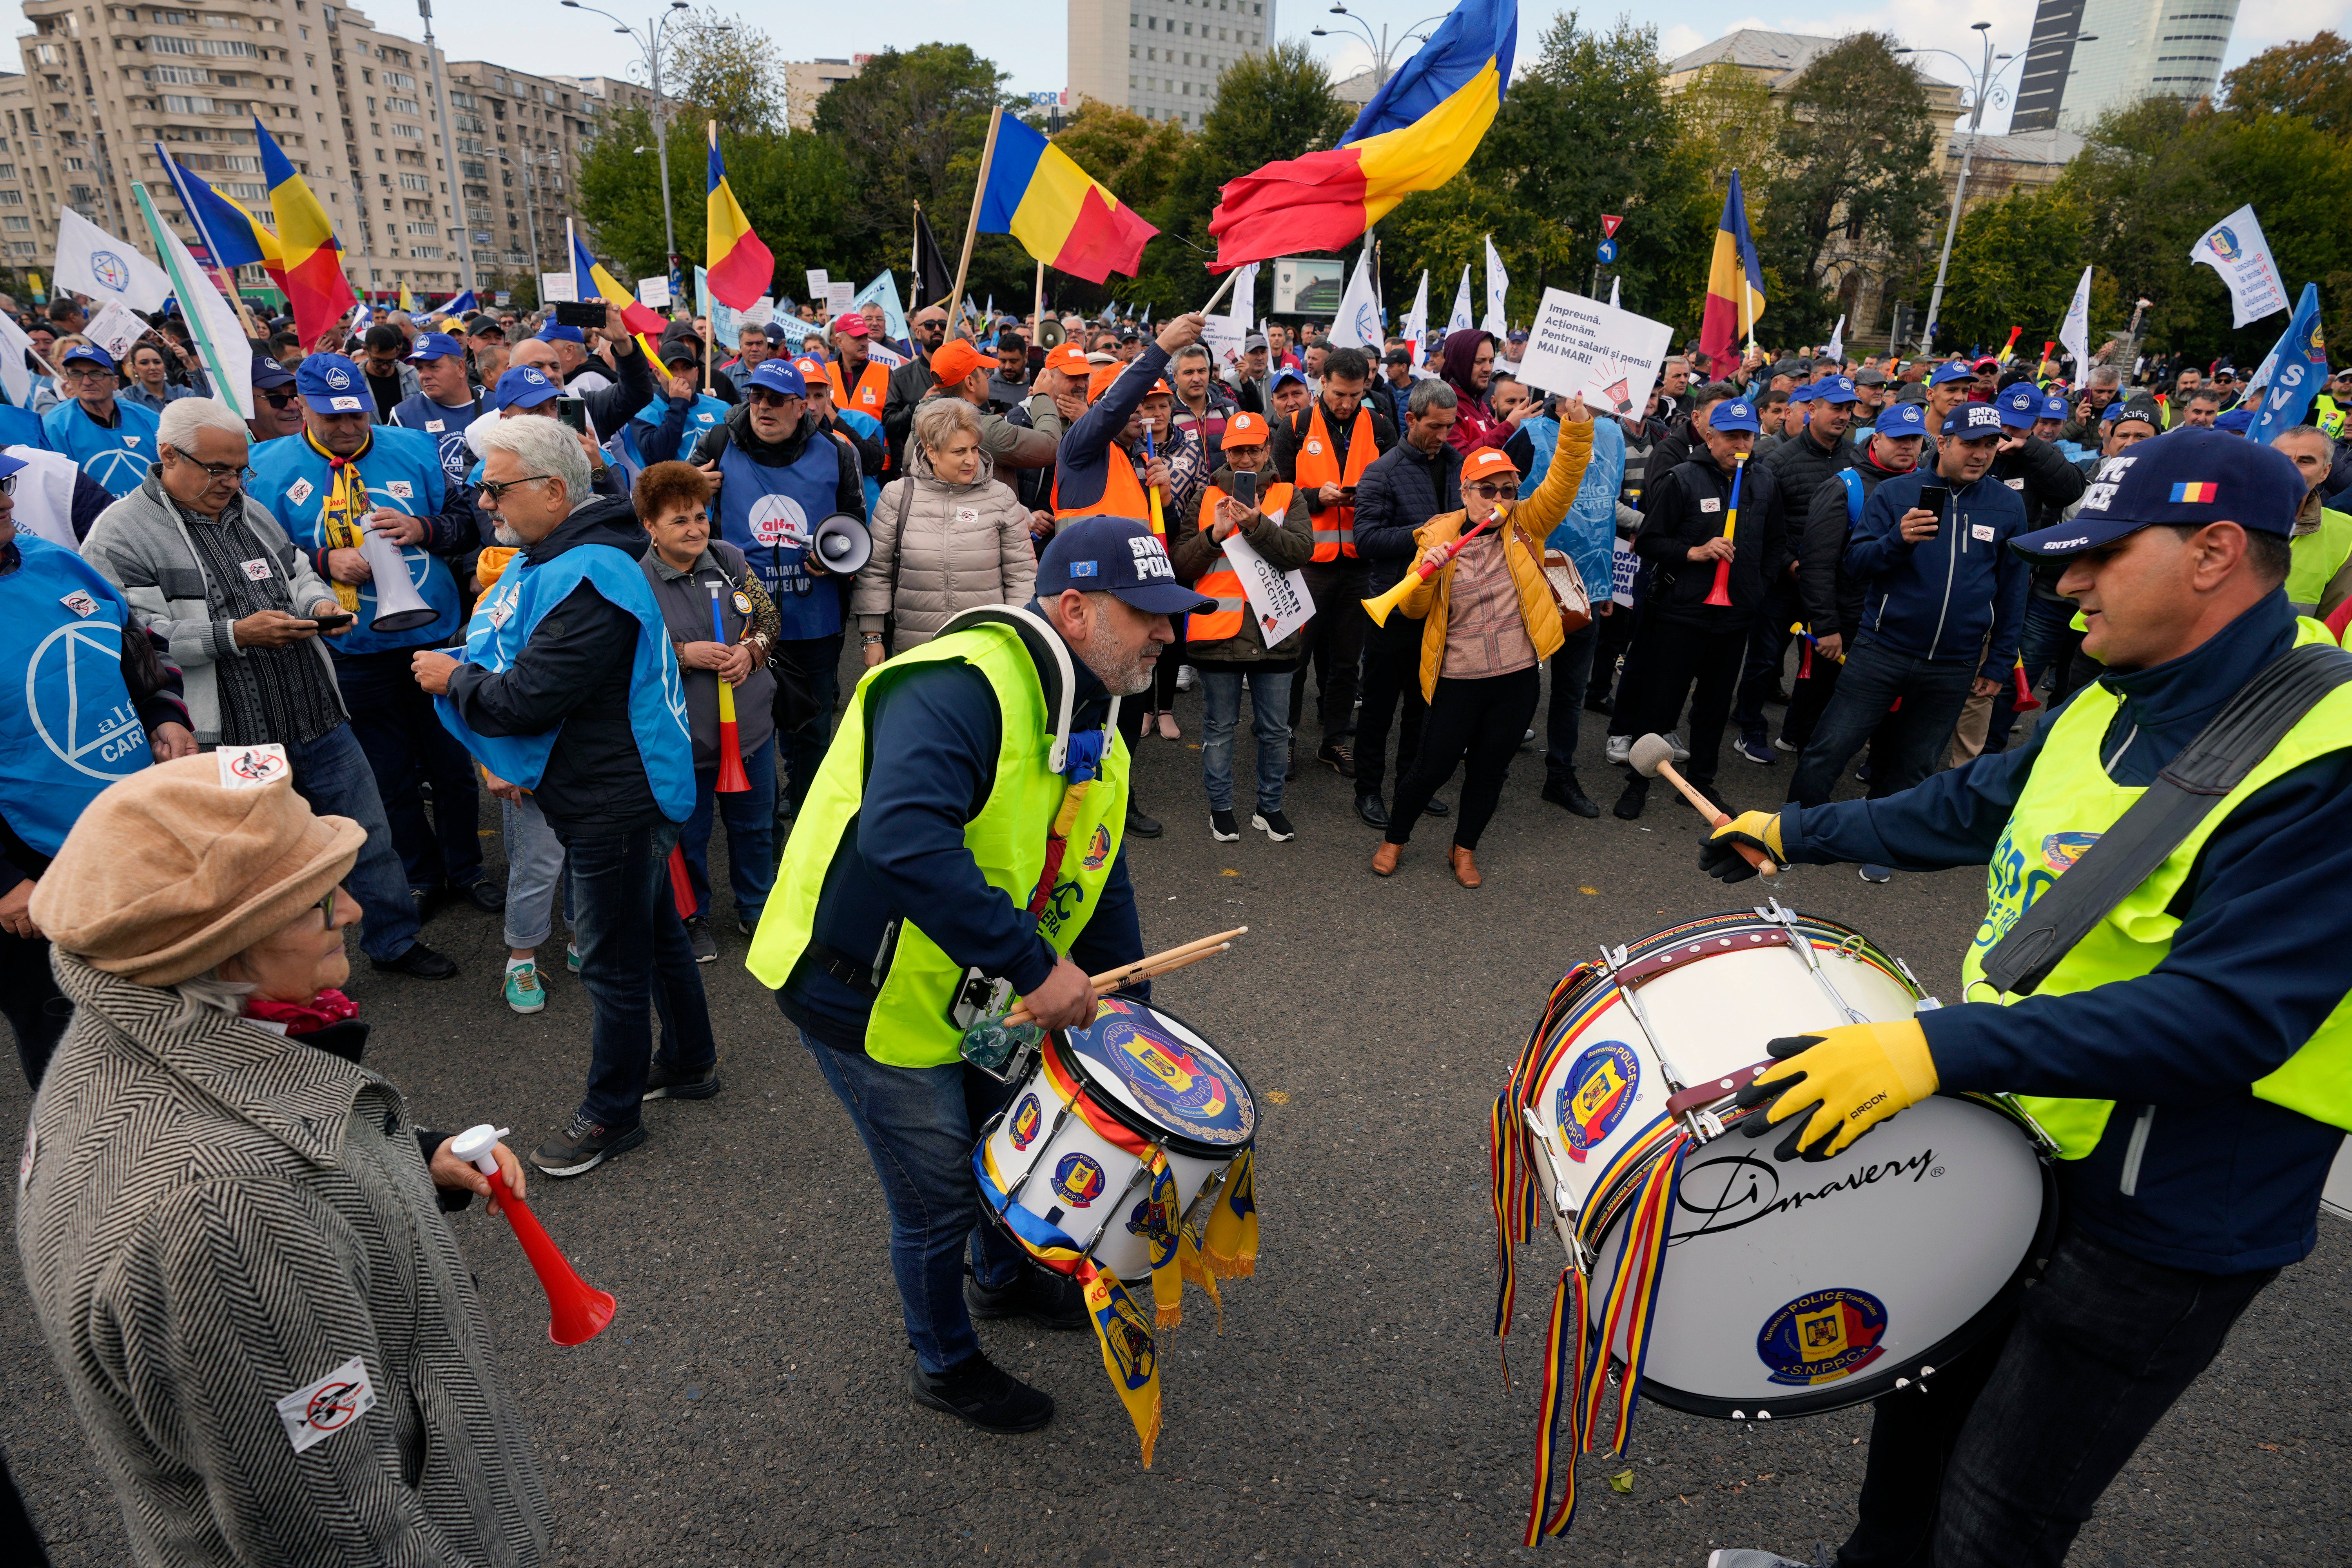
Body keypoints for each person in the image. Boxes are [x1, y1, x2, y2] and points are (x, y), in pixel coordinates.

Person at [1701, 428, 2352, 1568]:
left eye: (2101, 553)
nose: (2066, 581)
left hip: (2167, 1213)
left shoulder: (2325, 754)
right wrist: (1790, 829)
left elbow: (2224, 1015)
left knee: (1996, 1515)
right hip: (2024, 1141)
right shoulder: (2120, 695)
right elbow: (1967, 805)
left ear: (2210, 552)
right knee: (1913, 1428)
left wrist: (1930, 1049)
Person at [17, 752, 552, 1567]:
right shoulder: (223, 1209)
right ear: (223, 948)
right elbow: (339, 1530)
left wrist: (417, 1157)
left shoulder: (119, 1027)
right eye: (311, 901)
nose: (348, 908)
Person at [748, 515, 1208, 1434]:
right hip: (861, 990)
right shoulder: (962, 687)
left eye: (1173, 614)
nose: (1168, 631)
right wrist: (1035, 966)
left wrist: (1128, 1015)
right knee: (936, 1195)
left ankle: (1000, 1281)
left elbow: (1097, 862)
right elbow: (902, 837)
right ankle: (944, 1361)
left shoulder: (1095, 707)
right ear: (1074, 609)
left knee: (1000, 1141)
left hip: (968, 992)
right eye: (1147, 612)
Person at [419, 414, 717, 1176]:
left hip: (615, 796)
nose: (485, 501)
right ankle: (688, 1061)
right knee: (653, 937)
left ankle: (611, 1115)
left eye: (496, 486)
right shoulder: (575, 556)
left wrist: (455, 678)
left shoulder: (590, 573)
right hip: (618, 785)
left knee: (616, 963)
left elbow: (529, 697)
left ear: (554, 491)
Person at [77, 398, 455, 982]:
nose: (230, 482)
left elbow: (296, 568)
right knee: (266, 861)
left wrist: (318, 603)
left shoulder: (248, 509)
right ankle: (281, 975)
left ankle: (395, 940)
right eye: (217, 469)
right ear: (168, 455)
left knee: (366, 833)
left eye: (238, 469)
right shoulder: (120, 534)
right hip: (235, 737)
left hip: (315, 710)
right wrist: (234, 635)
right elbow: (137, 641)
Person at [248, 354, 497, 918]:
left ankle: (467, 869)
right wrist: (323, 558)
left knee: (453, 767)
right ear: (302, 405)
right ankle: (419, 873)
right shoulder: (266, 468)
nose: (347, 427)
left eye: (356, 414)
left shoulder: (414, 448)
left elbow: (467, 524)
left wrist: (424, 528)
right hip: (351, 648)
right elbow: (260, 559)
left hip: (432, 635)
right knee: (386, 775)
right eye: (332, 417)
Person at [0, 456, 194, 1089]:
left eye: (4, 483)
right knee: (71, 1042)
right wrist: (4, 880)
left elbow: (130, 647)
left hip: (133, 831)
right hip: (34, 866)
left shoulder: (52, 562)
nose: (7, 497)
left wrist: (165, 713)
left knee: (177, 1002)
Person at [1784, 403, 2028, 843]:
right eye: (1971, 444)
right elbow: (1856, 563)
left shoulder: (2006, 504)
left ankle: (1884, 842)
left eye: (1990, 445)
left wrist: (1999, 664)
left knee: (1914, 761)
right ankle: (1797, 827)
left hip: (1954, 662)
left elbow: (2013, 589)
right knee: (1833, 744)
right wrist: (1897, 540)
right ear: (1945, 442)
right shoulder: (1897, 493)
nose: (1981, 454)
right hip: (1883, 649)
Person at [1371, 408, 1596, 886]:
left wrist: (1577, 430)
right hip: (1458, 677)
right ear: (1465, 492)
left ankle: (1464, 847)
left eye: (1507, 489)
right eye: (1487, 489)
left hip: (1515, 677)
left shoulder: (1526, 525)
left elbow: (1563, 479)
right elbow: (1412, 612)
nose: (1498, 498)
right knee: (1430, 768)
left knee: (1490, 769)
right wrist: (1423, 573)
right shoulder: (1437, 533)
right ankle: (1395, 838)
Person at [686, 358, 867, 824]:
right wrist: (693, 490)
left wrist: (833, 561)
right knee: (748, 719)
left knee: (811, 719)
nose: (762, 408)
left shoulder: (837, 451)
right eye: (755, 397)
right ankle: (756, 816)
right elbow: (673, 514)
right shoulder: (718, 442)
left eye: (774, 400)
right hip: (737, 614)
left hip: (815, 613)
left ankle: (807, 807)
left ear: (801, 405)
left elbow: (854, 525)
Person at [1051, 310, 1210, 836]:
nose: (1143, 418)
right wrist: (1162, 344)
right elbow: (1118, 399)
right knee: (1085, 720)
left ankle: (1118, 798)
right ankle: (1070, 812)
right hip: (1089, 616)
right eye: (1134, 410)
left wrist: (1159, 496)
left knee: (1125, 719)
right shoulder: (1080, 449)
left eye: (1149, 411)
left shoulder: (1132, 463)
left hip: (1131, 613)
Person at [1612, 393, 1793, 819]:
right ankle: (1638, 783)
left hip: (1734, 616)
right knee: (1660, 702)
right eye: (1731, 436)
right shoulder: (1681, 479)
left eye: (1747, 435)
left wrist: (1757, 587)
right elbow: (1651, 543)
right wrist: (1693, 552)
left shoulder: (1764, 481)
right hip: (1682, 613)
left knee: (1713, 705)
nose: (1740, 444)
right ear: (1709, 436)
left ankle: (1701, 783)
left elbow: (1775, 543)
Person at [635, 460, 780, 964]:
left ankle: (757, 906)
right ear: (650, 526)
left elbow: (767, 617)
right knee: (688, 835)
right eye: (679, 520)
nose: (696, 528)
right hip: (685, 741)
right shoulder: (636, 582)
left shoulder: (731, 558)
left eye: (700, 516)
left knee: (754, 827)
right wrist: (684, 656)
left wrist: (752, 652)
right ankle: (690, 915)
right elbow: (628, 654)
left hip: (751, 732)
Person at [1173, 409, 1313, 841]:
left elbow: (1300, 551)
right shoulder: (1204, 497)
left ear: (1267, 448)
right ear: (1226, 453)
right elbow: (1181, 564)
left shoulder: (1290, 495)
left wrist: (1256, 526)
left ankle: (1269, 809)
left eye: (1254, 448)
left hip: (1276, 635)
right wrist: (1214, 536)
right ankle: (1221, 809)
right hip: (1218, 635)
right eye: (1238, 450)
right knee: (1218, 729)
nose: (1247, 458)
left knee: (1275, 731)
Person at [1269, 344, 1396, 779]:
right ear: (1322, 383)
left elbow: (1395, 487)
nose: (1345, 403)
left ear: (1366, 388)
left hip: (1360, 564)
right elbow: (1276, 494)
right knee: (1293, 657)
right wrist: (1314, 497)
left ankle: (1335, 739)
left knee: (1346, 662)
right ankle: (1282, 737)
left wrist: (1367, 499)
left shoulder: (1380, 426)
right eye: (1339, 393)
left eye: (1354, 395)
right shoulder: (1295, 427)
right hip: (1307, 563)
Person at [1781, 401, 1928, 759]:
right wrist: (1826, 626)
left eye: (1915, 439)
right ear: (1876, 439)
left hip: (1897, 624)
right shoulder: (1845, 487)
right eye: (1899, 439)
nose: (1908, 447)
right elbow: (1817, 565)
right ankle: (1804, 765)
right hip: (1847, 623)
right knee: (1820, 704)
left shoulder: (1926, 486)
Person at [1352, 378, 1462, 828]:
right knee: (1379, 709)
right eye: (1434, 426)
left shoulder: (1458, 464)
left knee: (1424, 706)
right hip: (1393, 607)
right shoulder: (1381, 471)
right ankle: (1368, 791)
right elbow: (1365, 540)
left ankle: (1410, 785)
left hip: (1440, 607)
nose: (1443, 435)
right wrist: (1424, 533)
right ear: (1411, 419)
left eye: (1449, 427)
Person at [855, 395, 1037, 661]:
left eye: (974, 449)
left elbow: (1021, 576)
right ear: (931, 452)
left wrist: (1019, 636)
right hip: (916, 651)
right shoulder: (898, 495)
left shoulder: (1001, 497)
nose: (971, 460)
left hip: (985, 651)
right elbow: (875, 571)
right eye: (959, 451)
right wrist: (872, 638)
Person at [44, 343, 162, 499]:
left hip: (156, 510)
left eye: (96, 374)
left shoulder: (148, 418)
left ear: (115, 382)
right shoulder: (55, 426)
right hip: (97, 518)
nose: (87, 382)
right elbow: (58, 489)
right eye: (77, 374)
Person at [389, 330, 486, 496]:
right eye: (419, 369)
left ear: (461, 368)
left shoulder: (495, 406)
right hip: (442, 518)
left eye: (434, 367)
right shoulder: (404, 415)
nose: (424, 376)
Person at [2271, 423, 2352, 618]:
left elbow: (2334, 625)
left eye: (2304, 462)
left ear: (2325, 472)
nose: (2291, 469)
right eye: (2282, 459)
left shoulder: (2345, 532)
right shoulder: (2223, 516)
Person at [1438, 330, 1509, 454]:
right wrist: (1508, 428)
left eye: (1491, 361)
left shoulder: (1476, 400)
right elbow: (1460, 459)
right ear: (1460, 363)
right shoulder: (1443, 405)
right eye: (1479, 362)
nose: (1488, 369)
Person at [355, 323, 419, 421]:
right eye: (378, 361)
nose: (385, 367)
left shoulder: (412, 376)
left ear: (398, 351)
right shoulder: (355, 382)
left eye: (391, 361)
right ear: (365, 350)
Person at [121, 341, 199, 415]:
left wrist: (190, 364)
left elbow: (206, 402)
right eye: (144, 363)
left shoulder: (182, 393)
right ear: (134, 368)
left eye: (157, 362)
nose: (153, 367)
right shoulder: (129, 396)